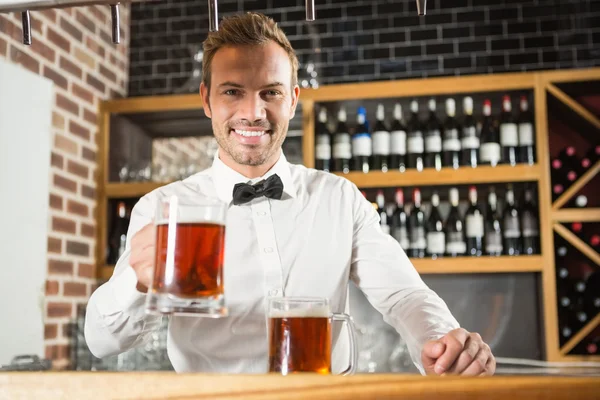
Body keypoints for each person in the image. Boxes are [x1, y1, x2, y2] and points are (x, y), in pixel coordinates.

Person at [85, 12, 495, 376]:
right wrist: (135, 284)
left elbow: (404, 294)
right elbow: (102, 343)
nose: (253, 112)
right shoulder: (162, 209)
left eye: (271, 92)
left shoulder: (339, 198)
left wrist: (442, 343)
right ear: (206, 100)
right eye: (232, 92)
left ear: (294, 99)